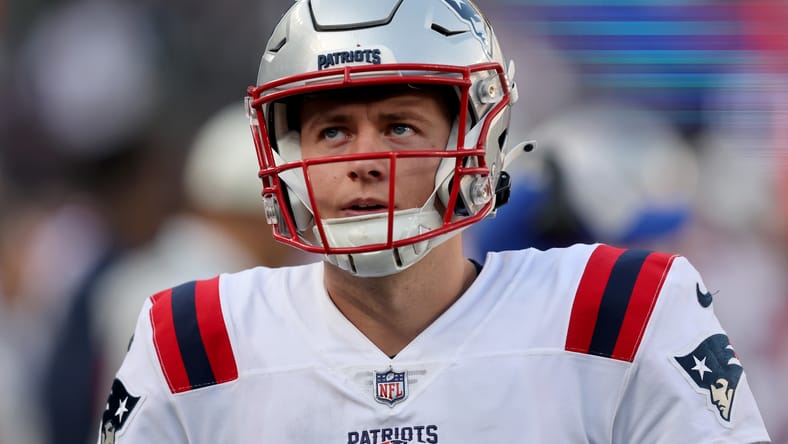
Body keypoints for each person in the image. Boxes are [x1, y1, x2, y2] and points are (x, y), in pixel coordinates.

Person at [98, 0, 771, 442]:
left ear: (480, 137)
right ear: (285, 153)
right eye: (332, 131)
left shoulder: (622, 314)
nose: (364, 161)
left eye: (399, 126)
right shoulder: (192, 342)